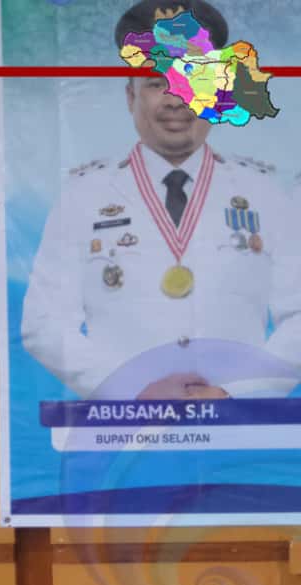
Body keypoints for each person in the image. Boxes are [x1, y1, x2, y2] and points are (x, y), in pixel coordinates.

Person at [21, 0, 301, 400]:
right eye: (156, 83)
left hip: (238, 426)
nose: (174, 99)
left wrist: (237, 393)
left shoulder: (266, 194)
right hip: (126, 427)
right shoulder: (83, 197)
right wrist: (130, 389)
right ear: (130, 96)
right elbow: (44, 323)